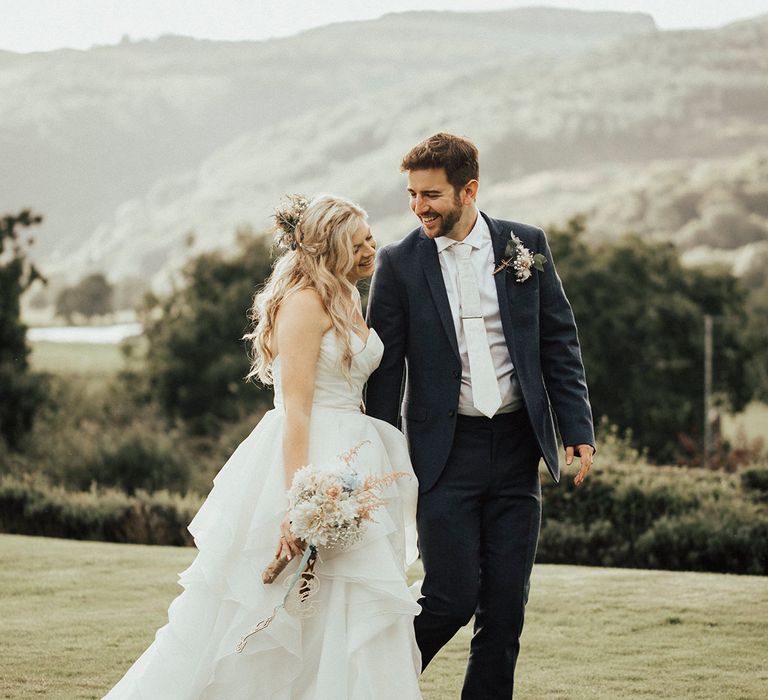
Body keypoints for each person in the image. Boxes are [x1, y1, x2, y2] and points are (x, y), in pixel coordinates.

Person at [103, 194, 423, 699]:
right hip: (308, 455)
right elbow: (296, 408)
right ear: (333, 247)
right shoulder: (302, 302)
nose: (371, 249)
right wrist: (299, 503)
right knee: (272, 600)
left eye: (370, 239)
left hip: (356, 457)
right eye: (358, 243)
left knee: (343, 602)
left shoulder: (346, 297)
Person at [365, 133, 595, 698]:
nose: (420, 207)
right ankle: (368, 685)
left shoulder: (526, 245)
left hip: (519, 447)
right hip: (445, 454)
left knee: (505, 610)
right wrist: (380, 455)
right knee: (450, 597)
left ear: (469, 190)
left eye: (432, 194)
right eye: (413, 194)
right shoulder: (398, 264)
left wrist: (577, 430)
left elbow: (558, 343)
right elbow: (385, 371)